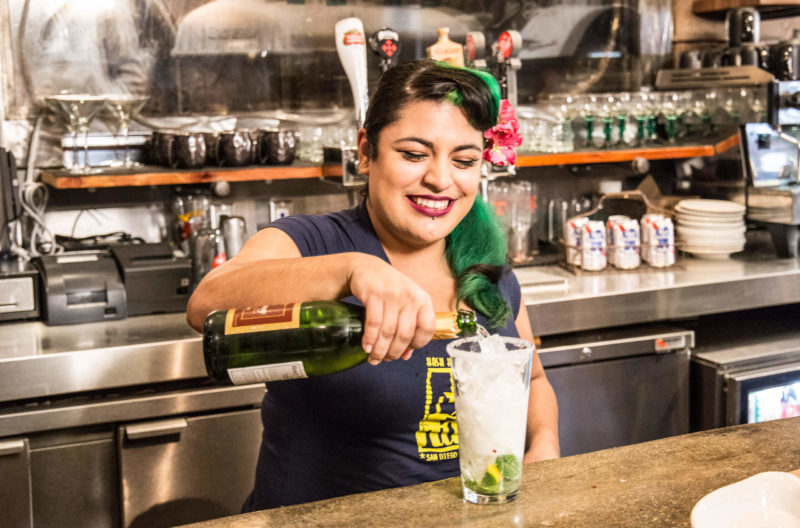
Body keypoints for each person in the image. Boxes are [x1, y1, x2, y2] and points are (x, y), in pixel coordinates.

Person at [186, 58, 559, 511]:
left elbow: (532, 376)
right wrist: (352, 270)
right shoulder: (313, 241)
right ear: (366, 151)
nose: (441, 179)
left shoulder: (485, 270)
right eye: (414, 154)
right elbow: (206, 302)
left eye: (464, 160)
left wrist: (544, 447)